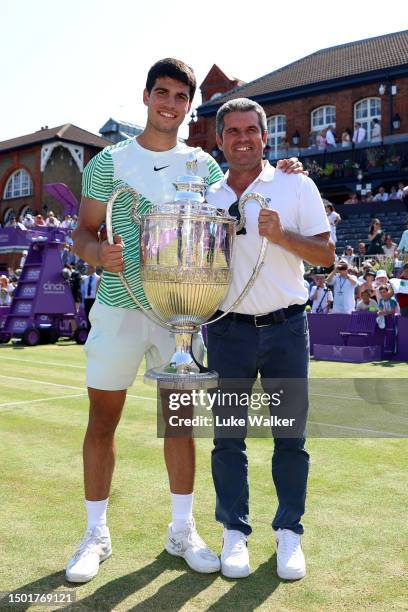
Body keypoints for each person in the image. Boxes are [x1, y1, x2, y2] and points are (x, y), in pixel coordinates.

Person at [67, 59, 303, 583]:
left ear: (188, 106)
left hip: (183, 319)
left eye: (179, 97)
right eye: (162, 93)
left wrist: (288, 173)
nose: (169, 104)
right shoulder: (108, 162)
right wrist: (94, 253)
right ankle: (94, 533)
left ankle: (181, 529)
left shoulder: (204, 165)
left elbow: (240, 203)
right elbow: (82, 231)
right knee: (102, 421)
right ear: (146, 96)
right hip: (119, 305)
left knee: (179, 424)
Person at [205, 98, 334, 580]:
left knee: (290, 438)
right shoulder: (208, 198)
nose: (242, 138)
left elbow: (325, 255)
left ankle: (289, 533)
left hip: (285, 328)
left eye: (250, 130)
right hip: (227, 331)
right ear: (219, 140)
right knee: (227, 440)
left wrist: (281, 235)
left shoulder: (295, 183)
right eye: (232, 130)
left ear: (264, 137)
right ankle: (234, 532)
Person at [81, 265, 100, 329]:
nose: (88, 269)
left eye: (89, 267)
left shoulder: (98, 278)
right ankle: (88, 331)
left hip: (94, 300)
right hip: (87, 300)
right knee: (88, 317)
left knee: (94, 316)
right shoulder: (86, 278)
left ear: (94, 268)